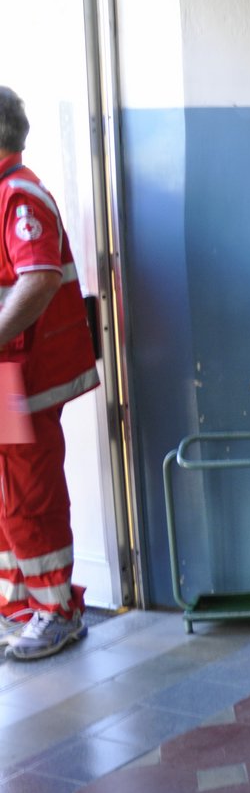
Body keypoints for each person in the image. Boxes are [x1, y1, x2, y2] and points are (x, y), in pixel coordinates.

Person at [0, 87, 100, 660]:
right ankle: (24, 606)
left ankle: (57, 612)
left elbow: (37, 280)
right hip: (9, 377)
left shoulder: (19, 195)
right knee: (10, 493)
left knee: (29, 496)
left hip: (23, 379)